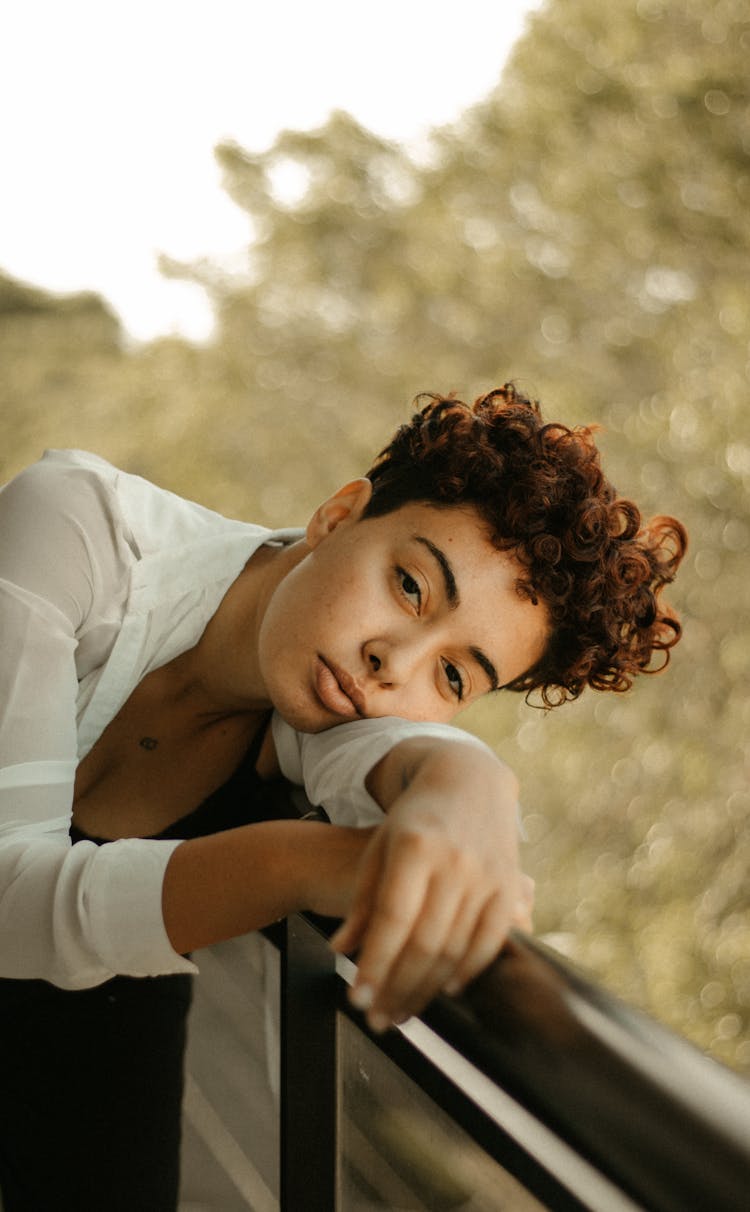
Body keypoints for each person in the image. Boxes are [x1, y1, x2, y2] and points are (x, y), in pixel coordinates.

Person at [0, 384, 686, 1210]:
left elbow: (409, 757)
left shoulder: (335, 711)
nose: (393, 663)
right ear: (338, 515)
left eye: (455, 673)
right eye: (409, 587)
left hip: (95, 1004)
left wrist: (474, 786)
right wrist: (308, 862)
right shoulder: (75, 527)